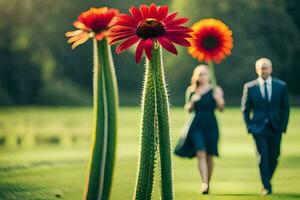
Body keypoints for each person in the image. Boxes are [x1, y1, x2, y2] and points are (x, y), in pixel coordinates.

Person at [241, 58, 290, 195]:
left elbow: (285, 108)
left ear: (271, 69)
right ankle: (266, 186)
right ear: (257, 70)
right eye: (261, 68)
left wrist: (283, 126)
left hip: (276, 127)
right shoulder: (249, 87)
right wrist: (249, 127)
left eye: (266, 67)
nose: (264, 70)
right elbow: (245, 109)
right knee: (263, 156)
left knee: (274, 156)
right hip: (258, 128)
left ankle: (267, 180)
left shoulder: (281, 86)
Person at [174, 64, 225, 194]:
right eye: (200, 74)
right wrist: (192, 101)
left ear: (209, 76)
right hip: (196, 125)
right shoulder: (192, 90)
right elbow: (188, 109)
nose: (202, 77)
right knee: (200, 153)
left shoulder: (215, 90)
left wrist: (219, 99)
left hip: (211, 125)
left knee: (209, 155)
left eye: (204, 74)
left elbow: (221, 108)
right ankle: (204, 183)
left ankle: (208, 182)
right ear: (196, 76)